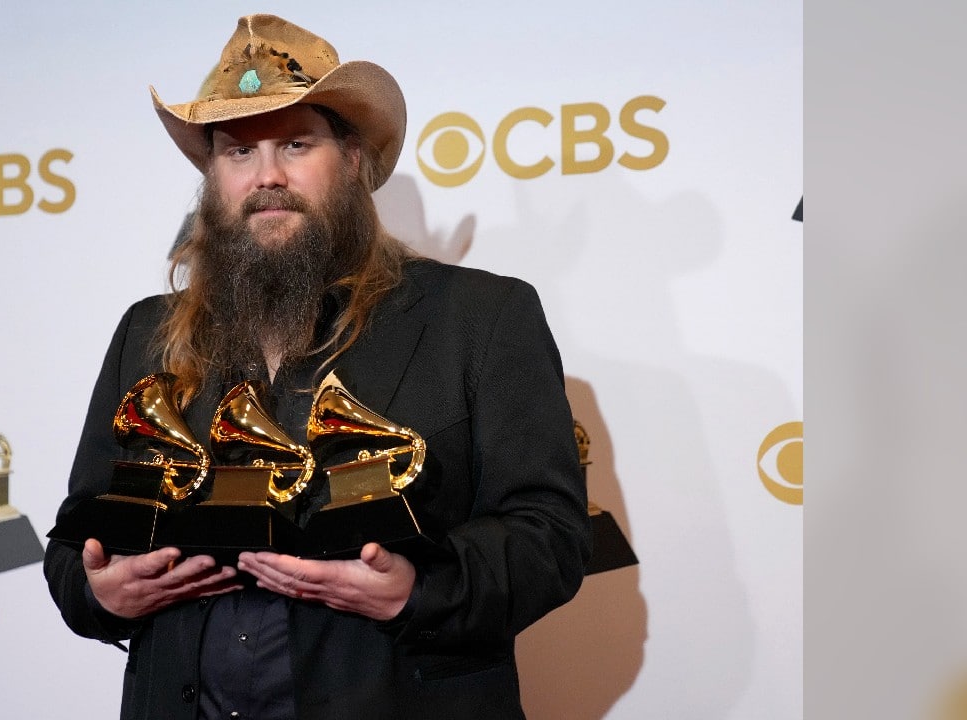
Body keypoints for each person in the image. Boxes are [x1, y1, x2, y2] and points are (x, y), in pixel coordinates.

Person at [44, 14, 590, 720]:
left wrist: (418, 589)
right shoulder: (145, 333)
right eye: (239, 153)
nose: (267, 176)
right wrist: (100, 593)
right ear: (213, 179)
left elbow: (551, 534)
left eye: (295, 144)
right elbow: (71, 546)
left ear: (354, 159)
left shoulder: (481, 318)